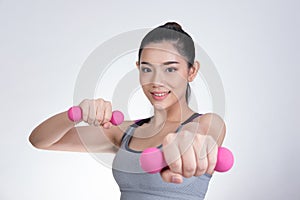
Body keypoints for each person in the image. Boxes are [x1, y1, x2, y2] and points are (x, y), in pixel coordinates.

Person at [29, 22, 226, 200]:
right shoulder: (125, 132)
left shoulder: (206, 123)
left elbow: (203, 135)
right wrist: (77, 113)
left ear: (192, 71)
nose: (157, 81)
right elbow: (40, 140)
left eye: (170, 69)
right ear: (138, 68)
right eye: (147, 69)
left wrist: (188, 143)